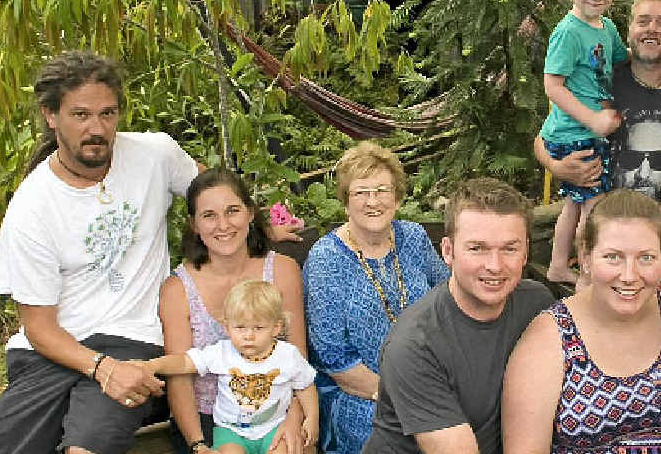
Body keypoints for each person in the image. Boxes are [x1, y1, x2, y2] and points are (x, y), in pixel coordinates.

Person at [0, 51, 202, 454]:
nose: (97, 128)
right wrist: (101, 368)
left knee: (87, 447)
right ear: (51, 116)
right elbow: (39, 327)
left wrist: (263, 227)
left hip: (132, 337)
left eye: (108, 114)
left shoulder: (155, 155)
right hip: (51, 352)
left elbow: (214, 199)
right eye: (81, 115)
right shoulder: (32, 207)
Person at [502, 189, 661, 453]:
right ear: (585, 259)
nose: (629, 276)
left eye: (646, 258)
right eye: (613, 257)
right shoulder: (551, 337)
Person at [535, 0, 661, 280]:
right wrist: (557, 166)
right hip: (609, 250)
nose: (651, 29)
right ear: (629, 31)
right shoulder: (600, 78)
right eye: (643, 21)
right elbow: (546, 136)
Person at [362, 178, 555, 454]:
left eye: (509, 249)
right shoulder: (414, 346)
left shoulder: (536, 304)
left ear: (525, 251)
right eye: (477, 248)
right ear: (448, 251)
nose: (495, 265)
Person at [303, 141, 450, 454]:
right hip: (362, 394)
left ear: (397, 198)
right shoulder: (326, 259)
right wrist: (403, 398)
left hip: (427, 378)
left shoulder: (413, 237)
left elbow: (448, 296)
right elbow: (335, 360)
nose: (373, 201)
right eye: (361, 192)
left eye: (382, 190)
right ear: (346, 201)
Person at [161, 168, 309, 454]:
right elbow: (179, 378)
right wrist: (198, 444)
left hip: (276, 414)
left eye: (232, 211)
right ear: (194, 224)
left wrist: (294, 419)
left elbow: (298, 358)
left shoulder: (282, 271)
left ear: (250, 213)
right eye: (209, 215)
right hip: (208, 421)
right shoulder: (178, 289)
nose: (223, 225)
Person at [539, 0, 630, 284]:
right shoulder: (568, 32)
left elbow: (622, 60)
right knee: (595, 208)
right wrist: (593, 118)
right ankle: (588, 275)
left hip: (588, 130)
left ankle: (558, 264)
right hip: (576, 133)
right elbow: (553, 86)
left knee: (575, 204)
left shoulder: (606, 27)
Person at [143, 280, 318, 454]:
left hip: (274, 427)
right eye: (240, 327)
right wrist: (152, 365)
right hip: (231, 431)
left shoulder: (287, 355)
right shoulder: (222, 352)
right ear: (227, 327)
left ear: (276, 327)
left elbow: (305, 386)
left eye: (258, 328)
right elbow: (185, 362)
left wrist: (312, 417)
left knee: (283, 450)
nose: (248, 336)